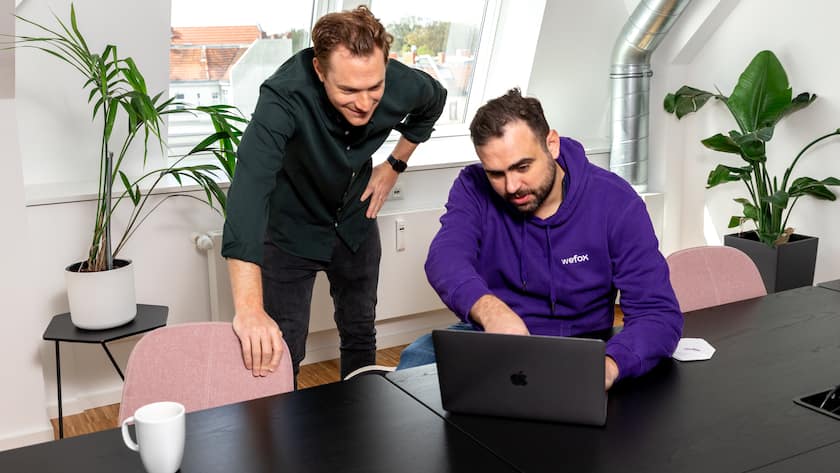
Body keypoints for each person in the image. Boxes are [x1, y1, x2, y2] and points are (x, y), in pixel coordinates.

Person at [398, 88, 682, 390]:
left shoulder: (615, 201)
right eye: (496, 173)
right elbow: (445, 258)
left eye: (522, 167)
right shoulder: (472, 187)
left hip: (583, 346)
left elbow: (658, 313)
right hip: (493, 339)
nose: (511, 186)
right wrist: (491, 312)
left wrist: (609, 366)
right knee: (415, 360)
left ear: (552, 144)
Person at [222, 6, 447, 380]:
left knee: (360, 333)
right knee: (283, 350)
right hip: (290, 229)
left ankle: (360, 426)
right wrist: (248, 310)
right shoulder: (282, 97)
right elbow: (248, 193)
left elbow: (433, 102)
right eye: (348, 90)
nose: (363, 102)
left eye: (374, 87)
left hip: (355, 221)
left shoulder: (402, 82)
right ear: (319, 70)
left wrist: (394, 165)